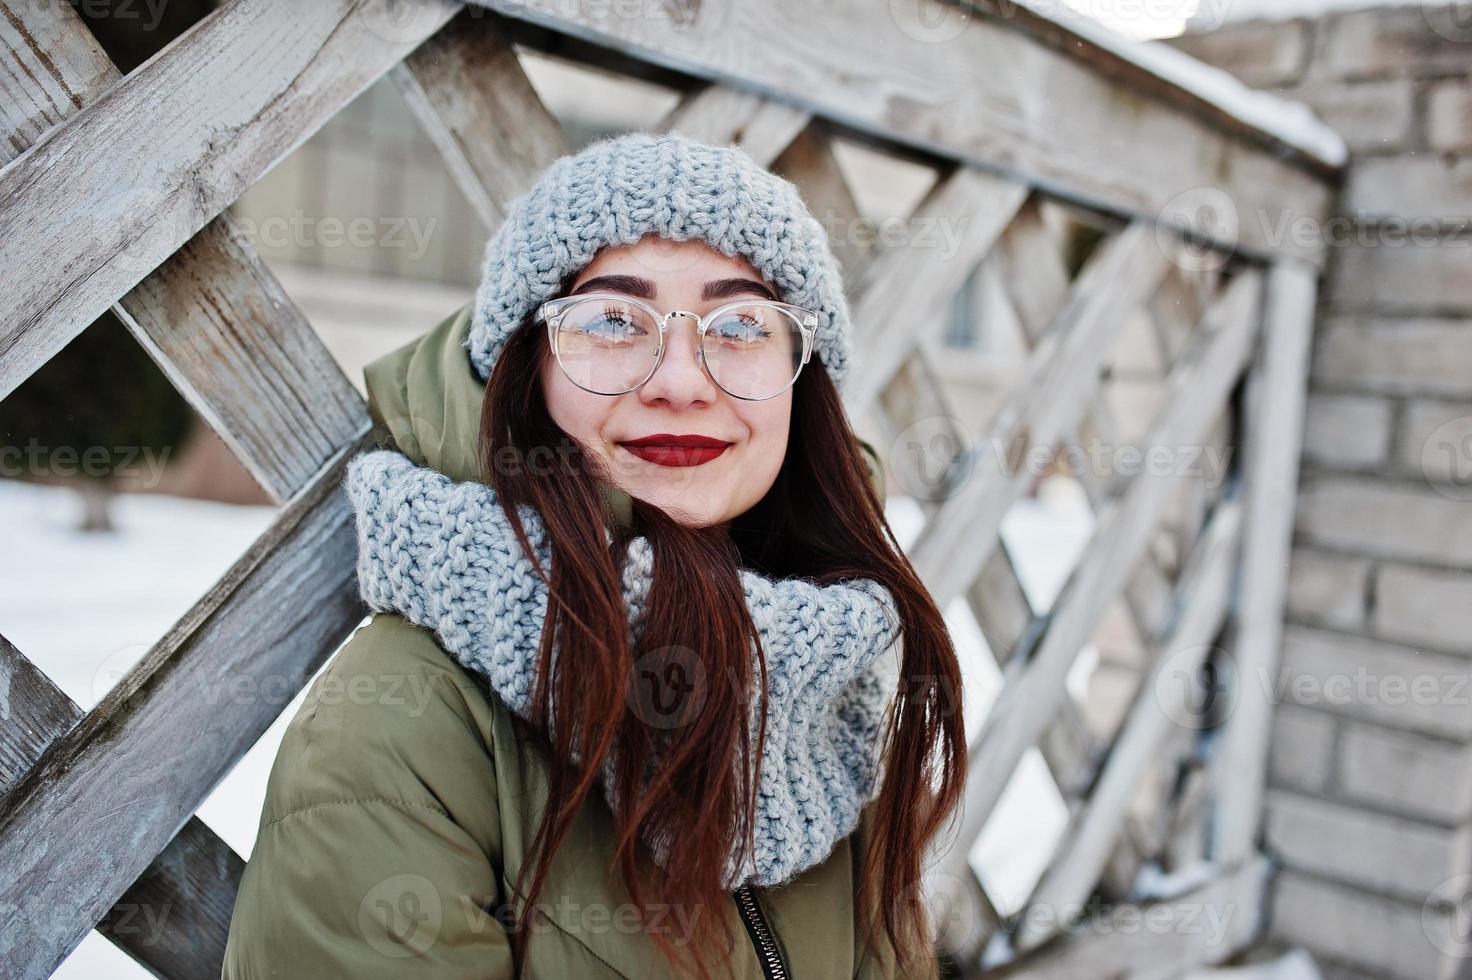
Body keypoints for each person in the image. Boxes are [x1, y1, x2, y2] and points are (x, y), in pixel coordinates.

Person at [221, 131, 967, 979]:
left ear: (802, 377)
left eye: (740, 324)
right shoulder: (401, 727)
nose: (682, 381)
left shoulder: (831, 676)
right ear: (525, 368)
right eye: (614, 319)